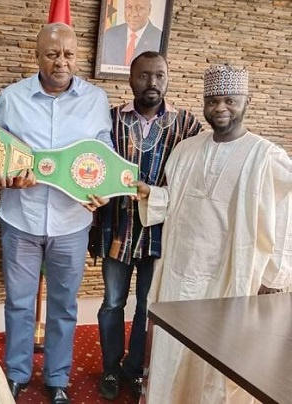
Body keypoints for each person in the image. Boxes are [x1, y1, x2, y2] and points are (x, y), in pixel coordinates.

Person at [134, 64, 291, 403]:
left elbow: (285, 217)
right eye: (213, 101)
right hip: (181, 270)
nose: (220, 108)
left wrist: (276, 276)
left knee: (221, 358)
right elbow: (174, 199)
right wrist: (153, 195)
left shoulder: (266, 156)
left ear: (245, 101)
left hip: (231, 275)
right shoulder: (187, 149)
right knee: (175, 348)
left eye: (230, 101)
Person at [0, 22, 113, 404]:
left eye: (69, 54)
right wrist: (7, 177)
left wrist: (101, 189)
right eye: (52, 54)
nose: (61, 62)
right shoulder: (11, 98)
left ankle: (57, 378)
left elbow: (103, 157)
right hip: (20, 217)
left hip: (71, 223)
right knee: (18, 302)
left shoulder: (96, 100)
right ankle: (16, 373)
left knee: (64, 305)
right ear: (37, 57)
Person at [92, 51, 201, 401]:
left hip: (161, 233)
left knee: (147, 306)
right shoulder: (109, 119)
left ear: (167, 78)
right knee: (112, 302)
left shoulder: (187, 126)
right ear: (130, 79)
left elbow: (195, 178)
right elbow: (92, 165)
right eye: (143, 75)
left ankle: (135, 369)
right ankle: (110, 367)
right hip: (117, 230)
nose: (152, 83)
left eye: (159, 75)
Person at [102, 0, 162, 66]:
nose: (133, 14)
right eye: (129, 7)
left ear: (149, 10)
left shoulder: (159, 39)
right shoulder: (109, 35)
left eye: (140, 8)